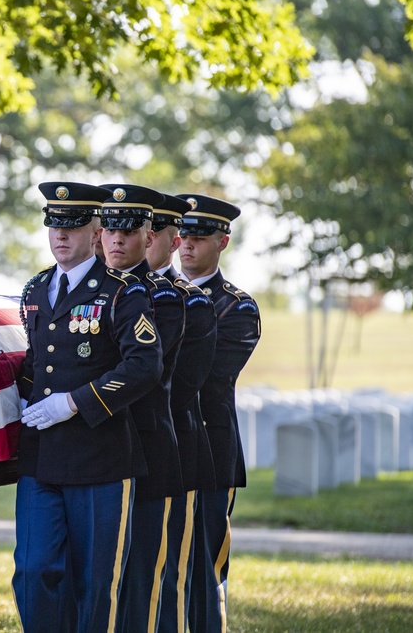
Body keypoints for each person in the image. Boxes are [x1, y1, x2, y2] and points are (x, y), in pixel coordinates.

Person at [14, 181, 162, 632]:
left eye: (73, 226)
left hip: (100, 458)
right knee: (34, 570)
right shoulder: (36, 287)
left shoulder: (122, 291)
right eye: (54, 225)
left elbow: (145, 364)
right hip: (42, 458)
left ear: (96, 231)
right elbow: (35, 362)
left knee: (96, 583)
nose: (61, 235)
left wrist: (77, 403)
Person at [97, 185, 185, 633]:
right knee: (96, 579)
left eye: (127, 231)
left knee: (141, 579)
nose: (115, 239)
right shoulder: (89, 290)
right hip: (95, 447)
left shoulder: (166, 297)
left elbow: (144, 371)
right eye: (108, 228)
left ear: (149, 238)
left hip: (146, 448)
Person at [176, 194, 261, 633]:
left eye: (199, 236)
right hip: (160, 445)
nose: (187, 244)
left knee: (204, 568)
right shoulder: (150, 294)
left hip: (208, 450)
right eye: (182, 234)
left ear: (222, 241)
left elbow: (207, 377)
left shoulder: (236, 307)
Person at [146, 194, 219, 633]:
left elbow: (184, 387)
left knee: (173, 567)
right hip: (120, 446)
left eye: (152, 234)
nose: (140, 240)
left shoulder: (193, 302)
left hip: (174, 445)